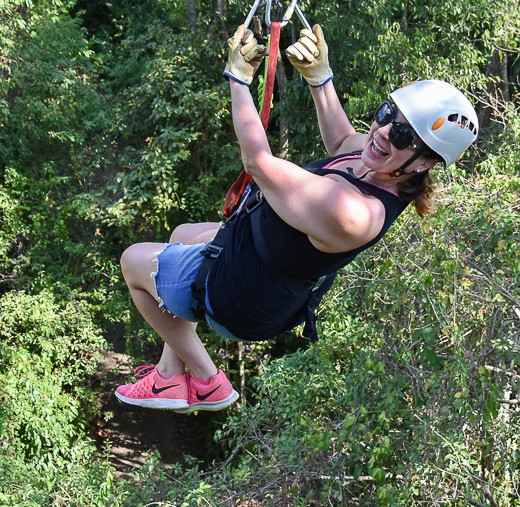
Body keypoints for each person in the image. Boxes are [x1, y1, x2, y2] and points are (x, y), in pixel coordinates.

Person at [114, 23, 478, 412]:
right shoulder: (378, 164)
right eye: (387, 113)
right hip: (255, 253)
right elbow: (342, 141)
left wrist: (238, 80)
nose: (384, 132)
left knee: (134, 263)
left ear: (424, 164)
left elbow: (258, 162)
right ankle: (171, 374)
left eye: (404, 135)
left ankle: (207, 380)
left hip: (244, 297)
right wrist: (320, 79)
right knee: (182, 233)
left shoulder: (357, 213)